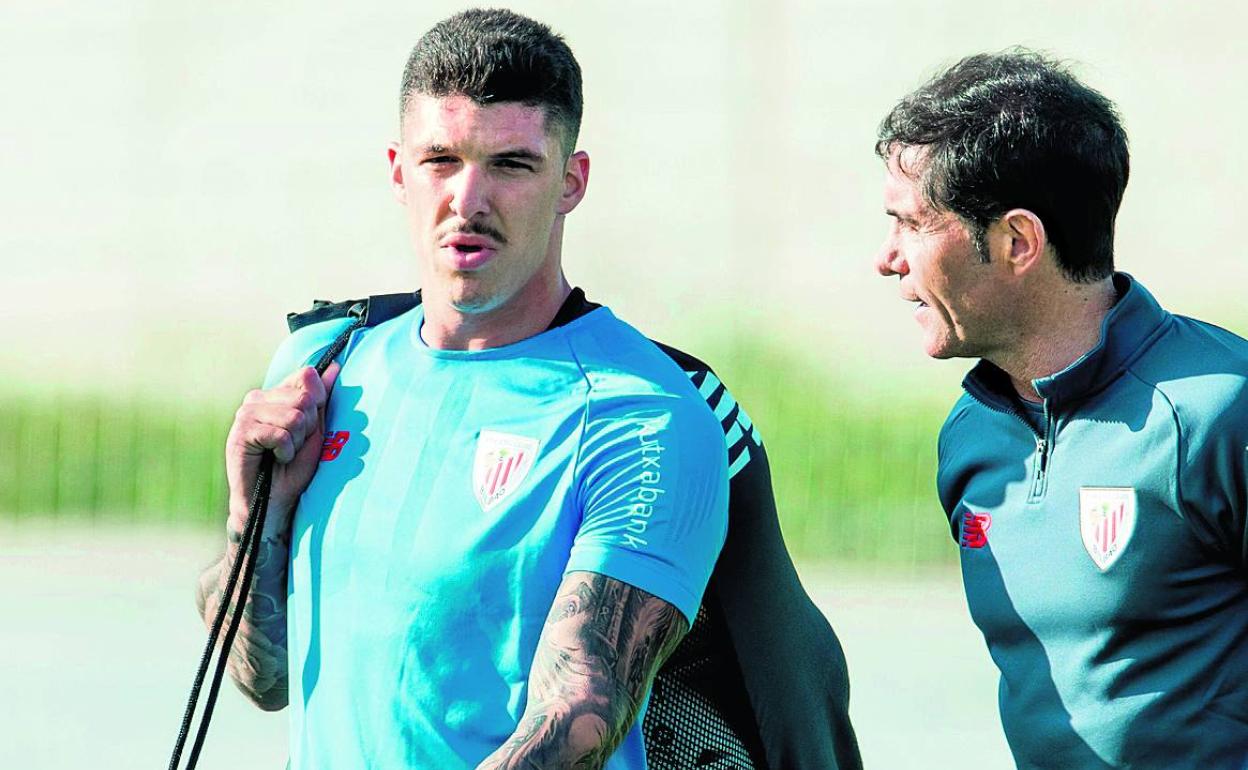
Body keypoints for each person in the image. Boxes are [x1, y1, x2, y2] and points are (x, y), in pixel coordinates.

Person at [195, 9, 860, 769]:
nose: (468, 199)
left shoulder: (641, 414)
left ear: (571, 182)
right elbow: (263, 676)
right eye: (440, 159)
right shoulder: (322, 366)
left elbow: (578, 717)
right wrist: (256, 512)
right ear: (396, 171)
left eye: (511, 165)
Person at [874, 49, 1248, 768]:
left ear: (1017, 241)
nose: (887, 257)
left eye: (912, 224)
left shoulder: (1218, 410)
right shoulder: (971, 436)